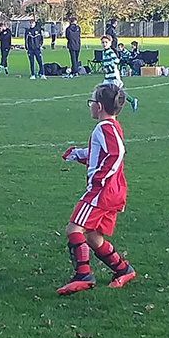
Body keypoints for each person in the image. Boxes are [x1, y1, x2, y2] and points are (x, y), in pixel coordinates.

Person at [56, 83, 136, 295]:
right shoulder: (112, 126)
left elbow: (116, 153)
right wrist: (78, 154)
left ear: (99, 106)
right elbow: (100, 154)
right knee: (93, 237)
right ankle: (123, 269)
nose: (90, 105)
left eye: (91, 102)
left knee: (74, 230)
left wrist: (100, 178)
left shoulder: (104, 128)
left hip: (102, 192)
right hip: (114, 191)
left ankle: (83, 275)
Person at [100, 35, 138, 112]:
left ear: (110, 43)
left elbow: (116, 61)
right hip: (108, 76)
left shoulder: (110, 52)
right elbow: (107, 62)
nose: (104, 44)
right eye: (103, 42)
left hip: (113, 75)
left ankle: (132, 101)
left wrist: (108, 69)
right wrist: (103, 68)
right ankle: (104, 106)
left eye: (106, 42)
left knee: (118, 92)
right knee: (103, 90)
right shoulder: (104, 52)